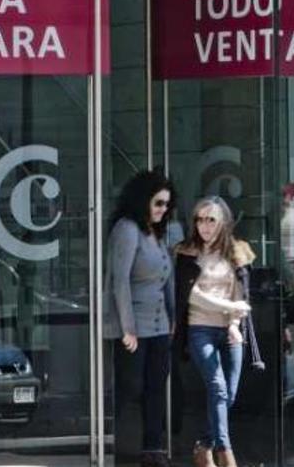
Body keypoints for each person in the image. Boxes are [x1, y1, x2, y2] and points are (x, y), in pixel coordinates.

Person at [174, 196, 264, 467]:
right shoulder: (186, 252)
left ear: (223, 221)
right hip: (200, 328)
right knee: (218, 386)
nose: (204, 226)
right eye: (199, 220)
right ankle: (225, 453)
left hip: (230, 330)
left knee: (229, 394)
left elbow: (242, 294)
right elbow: (192, 295)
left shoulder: (237, 251)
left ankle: (204, 446)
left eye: (210, 219)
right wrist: (230, 305)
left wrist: (235, 324)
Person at [104, 169, 177, 467]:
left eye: (167, 205)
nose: (163, 210)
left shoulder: (157, 234)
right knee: (130, 386)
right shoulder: (127, 229)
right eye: (158, 203)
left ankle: (153, 447)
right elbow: (119, 281)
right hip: (133, 326)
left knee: (157, 387)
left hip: (159, 325)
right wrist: (128, 329)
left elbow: (167, 279)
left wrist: (173, 319)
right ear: (143, 200)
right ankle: (115, 445)